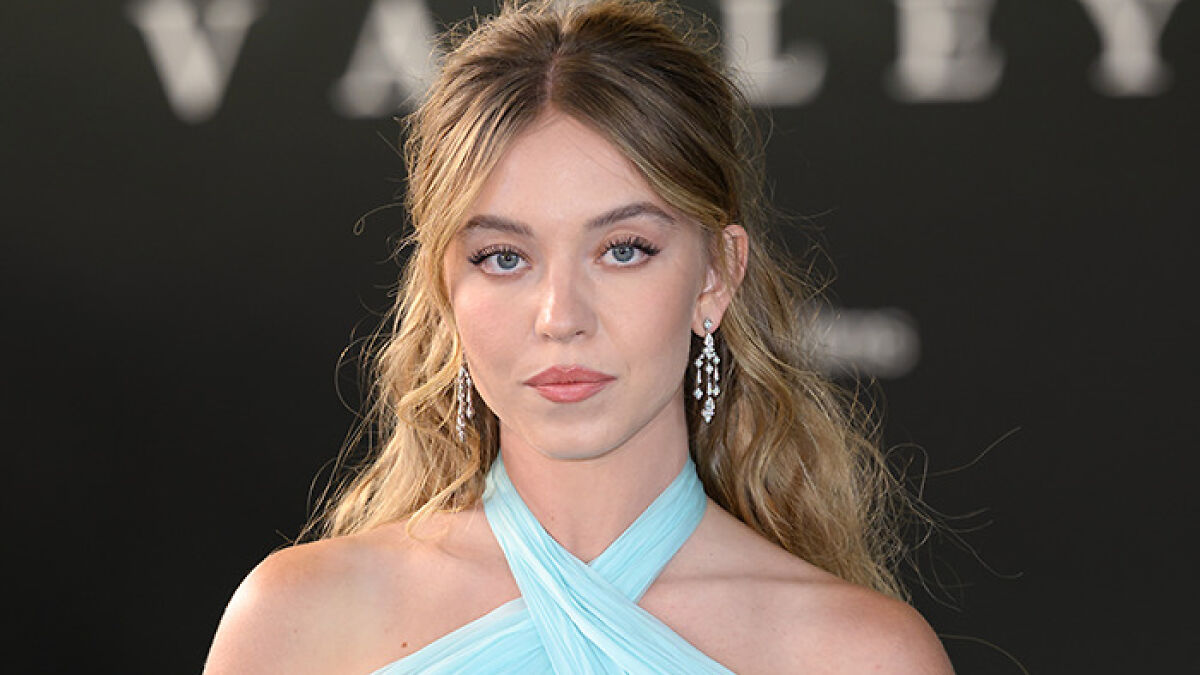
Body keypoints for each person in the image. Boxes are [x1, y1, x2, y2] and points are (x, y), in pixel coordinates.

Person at [204, 1, 954, 672]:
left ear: (716, 276)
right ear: (444, 286)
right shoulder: (295, 623)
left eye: (623, 249)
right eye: (504, 257)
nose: (561, 314)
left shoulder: (860, 655)